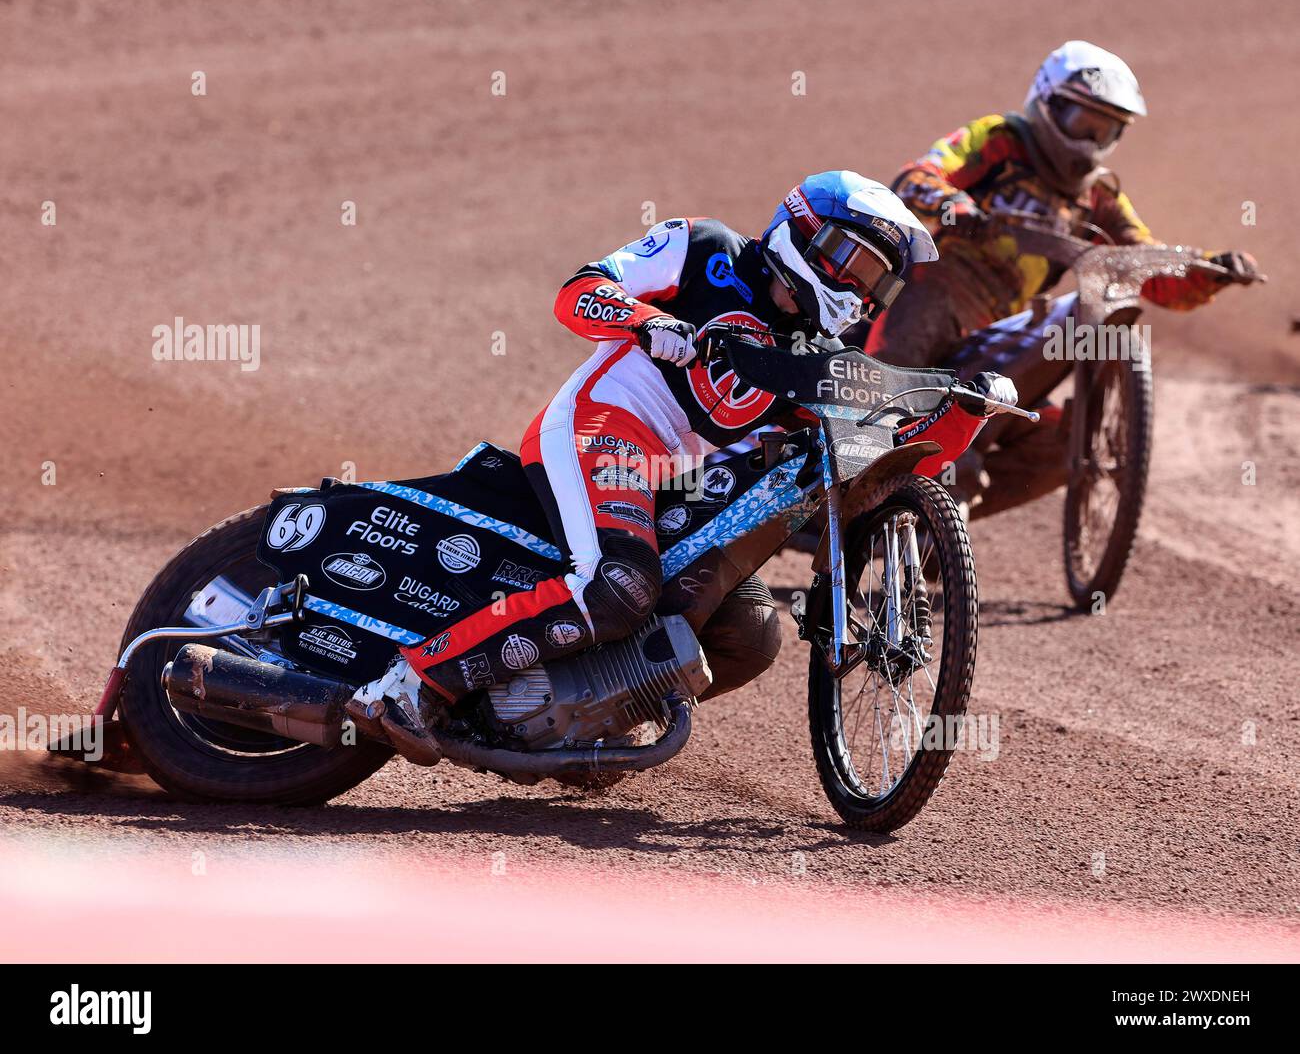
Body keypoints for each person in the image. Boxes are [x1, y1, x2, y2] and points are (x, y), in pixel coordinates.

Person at [357, 171, 1016, 752]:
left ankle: (580, 723)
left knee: (751, 636)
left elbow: (885, 466)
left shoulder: (816, 355)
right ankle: (408, 682)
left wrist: (964, 412)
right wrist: (645, 321)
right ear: (804, 231)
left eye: (875, 278)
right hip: (604, 422)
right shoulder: (706, 247)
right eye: (853, 261)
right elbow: (579, 290)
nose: (860, 289)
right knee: (619, 585)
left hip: (673, 483)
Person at [842, 41, 1259, 516]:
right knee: (889, 386)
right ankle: (852, 477)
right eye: (1083, 123)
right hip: (932, 291)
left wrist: (1213, 268)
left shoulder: (1098, 198)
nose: (1089, 142)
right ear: (1047, 102)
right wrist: (953, 205)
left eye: (1105, 131)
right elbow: (917, 176)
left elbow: (1146, 269)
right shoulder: (1000, 140)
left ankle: (933, 527)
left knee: (1068, 443)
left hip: (1001, 334)